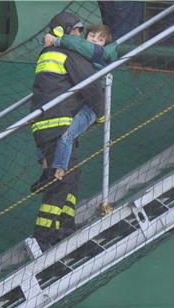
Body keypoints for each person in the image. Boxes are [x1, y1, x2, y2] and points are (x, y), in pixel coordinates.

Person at [27, 12, 104, 252]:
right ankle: (43, 237)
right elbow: (90, 84)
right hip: (60, 125)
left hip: (46, 126)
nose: (80, 36)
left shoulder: (46, 54)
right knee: (61, 182)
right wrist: (99, 113)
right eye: (77, 31)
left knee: (71, 175)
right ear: (66, 31)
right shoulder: (68, 53)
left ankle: (65, 226)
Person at [32, 24, 114, 190]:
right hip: (78, 102)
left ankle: (58, 172)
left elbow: (92, 86)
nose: (95, 41)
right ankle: (46, 173)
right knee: (44, 132)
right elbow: (76, 45)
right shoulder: (80, 52)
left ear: (105, 44)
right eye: (92, 36)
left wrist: (54, 40)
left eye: (100, 39)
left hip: (92, 105)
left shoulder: (99, 55)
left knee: (66, 134)